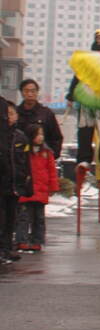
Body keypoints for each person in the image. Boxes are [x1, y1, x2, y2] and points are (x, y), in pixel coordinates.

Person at [67, 30, 100, 179]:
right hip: (87, 100)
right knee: (84, 131)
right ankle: (84, 159)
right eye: (99, 38)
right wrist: (71, 95)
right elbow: (77, 78)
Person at [15, 126, 58, 253]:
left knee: (39, 218)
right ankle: (21, 240)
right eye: (37, 134)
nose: (41, 137)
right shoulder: (24, 151)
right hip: (27, 190)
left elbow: (51, 171)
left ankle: (37, 241)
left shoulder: (47, 153)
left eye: (42, 134)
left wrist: (53, 186)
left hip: (41, 191)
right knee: (24, 217)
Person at [0, 102, 29, 264]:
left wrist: (26, 182)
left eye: (12, 114)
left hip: (14, 185)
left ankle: (6, 248)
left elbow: (25, 163)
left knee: (11, 218)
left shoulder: (20, 137)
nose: (9, 117)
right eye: (6, 114)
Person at [15, 80, 62, 160]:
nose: (30, 94)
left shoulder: (46, 113)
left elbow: (56, 137)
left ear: (37, 92)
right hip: (19, 158)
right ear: (21, 93)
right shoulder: (15, 113)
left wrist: (51, 156)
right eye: (26, 91)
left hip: (41, 157)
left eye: (33, 91)